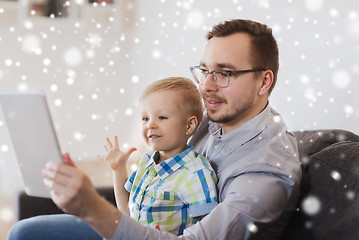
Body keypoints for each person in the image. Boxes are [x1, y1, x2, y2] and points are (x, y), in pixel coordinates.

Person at [7, 19, 302, 240]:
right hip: (152, 224)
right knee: (25, 231)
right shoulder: (215, 114)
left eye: (224, 73)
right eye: (204, 71)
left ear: (264, 82)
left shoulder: (267, 170)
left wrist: (92, 207)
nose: (207, 87)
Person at [101, 77, 218, 235]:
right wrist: (118, 169)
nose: (150, 125)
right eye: (145, 118)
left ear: (189, 125)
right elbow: (126, 215)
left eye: (162, 117)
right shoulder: (146, 161)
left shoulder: (196, 175)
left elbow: (212, 232)